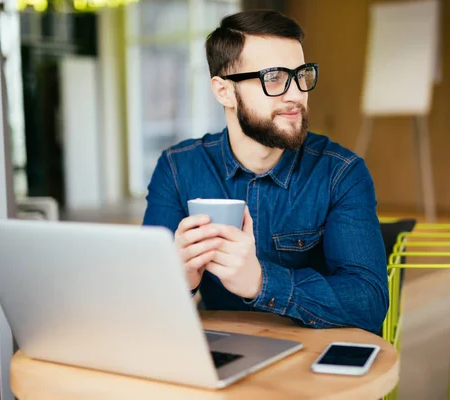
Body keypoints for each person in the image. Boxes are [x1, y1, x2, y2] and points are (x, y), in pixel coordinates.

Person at [143, 10, 388, 334]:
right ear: (223, 91)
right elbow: (146, 301)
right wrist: (180, 282)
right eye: (273, 77)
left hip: (310, 358)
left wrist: (261, 282)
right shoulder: (178, 169)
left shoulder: (341, 173)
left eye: (301, 75)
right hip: (222, 354)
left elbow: (368, 302)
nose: (296, 94)